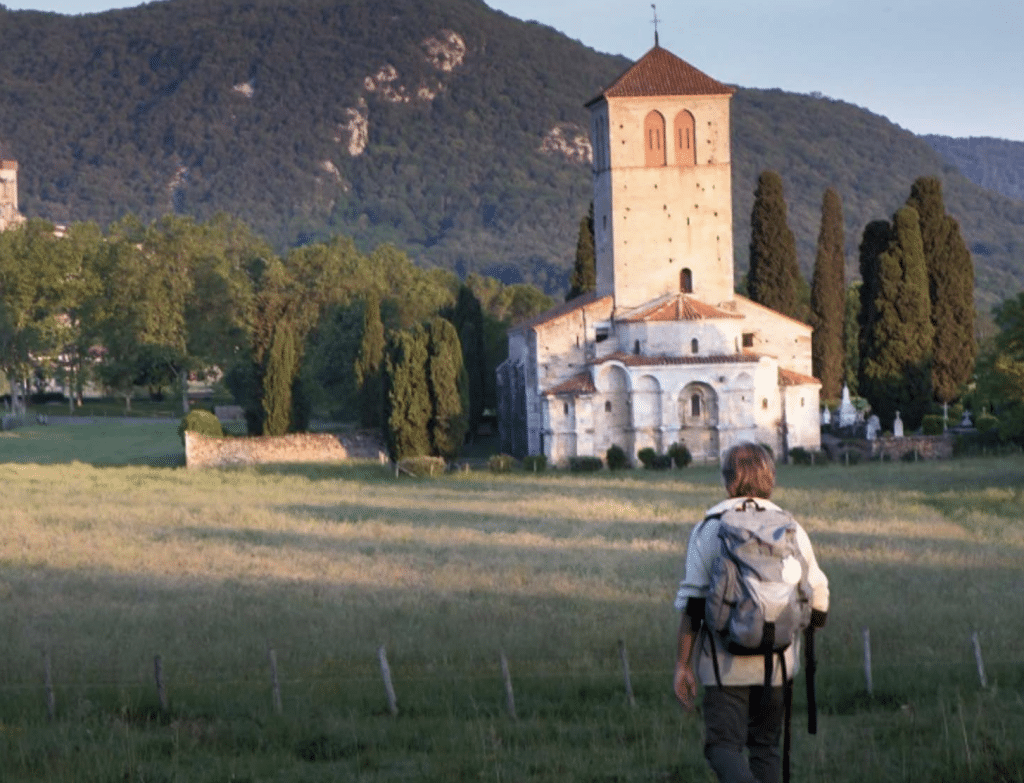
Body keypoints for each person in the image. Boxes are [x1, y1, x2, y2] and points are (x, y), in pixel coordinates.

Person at [673, 442, 829, 783]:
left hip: (724, 666)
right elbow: (819, 597)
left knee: (722, 748)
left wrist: (683, 665)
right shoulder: (791, 528)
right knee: (766, 749)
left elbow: (694, 604)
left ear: (728, 482)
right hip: (778, 664)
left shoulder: (710, 528)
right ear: (770, 478)